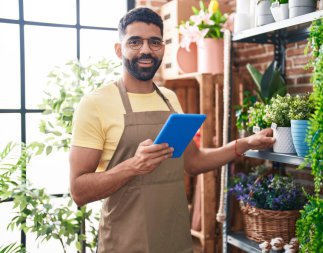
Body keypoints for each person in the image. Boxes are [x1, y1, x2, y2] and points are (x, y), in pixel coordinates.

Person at [69, 7, 275, 253]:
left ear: (162, 48)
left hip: (175, 241)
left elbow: (193, 162)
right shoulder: (95, 104)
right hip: (125, 244)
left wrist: (244, 145)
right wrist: (133, 166)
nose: (146, 50)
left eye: (154, 42)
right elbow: (78, 191)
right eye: (135, 42)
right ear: (118, 49)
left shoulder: (169, 99)